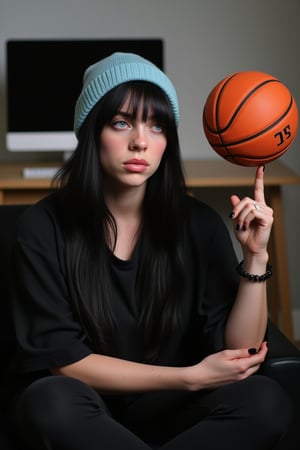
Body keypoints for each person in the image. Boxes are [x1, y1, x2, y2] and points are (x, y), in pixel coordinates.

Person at [9, 52, 291, 450]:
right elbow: (65, 362)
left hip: (177, 412)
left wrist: (255, 257)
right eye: (121, 122)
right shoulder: (42, 227)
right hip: (88, 409)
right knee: (50, 401)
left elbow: (239, 352)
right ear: (92, 131)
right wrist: (190, 376)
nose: (140, 140)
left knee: (267, 401)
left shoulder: (200, 224)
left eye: (157, 126)